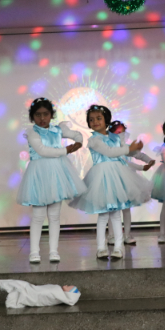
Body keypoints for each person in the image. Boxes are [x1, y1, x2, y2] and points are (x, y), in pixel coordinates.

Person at [69, 105, 151, 260]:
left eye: (98, 118)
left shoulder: (115, 138)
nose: (95, 122)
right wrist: (129, 149)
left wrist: (135, 149)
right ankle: (101, 248)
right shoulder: (94, 140)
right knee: (103, 216)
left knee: (116, 214)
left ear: (106, 120)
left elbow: (125, 150)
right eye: (91, 119)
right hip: (101, 177)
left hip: (116, 176)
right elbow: (109, 152)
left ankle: (118, 248)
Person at [16, 98, 86, 263]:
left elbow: (77, 135)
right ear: (32, 117)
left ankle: (54, 251)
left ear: (51, 115)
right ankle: (34, 252)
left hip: (56, 174)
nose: (42, 118)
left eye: (45, 114)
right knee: (38, 216)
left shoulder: (57, 129)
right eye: (38, 115)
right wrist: (66, 150)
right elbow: (42, 150)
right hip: (39, 174)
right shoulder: (32, 132)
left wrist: (78, 142)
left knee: (54, 216)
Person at [106, 120, 155, 246]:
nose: (121, 135)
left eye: (123, 132)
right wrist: (141, 167)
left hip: (127, 181)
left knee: (126, 209)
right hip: (113, 180)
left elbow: (138, 154)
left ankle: (127, 235)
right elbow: (125, 162)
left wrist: (149, 160)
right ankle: (111, 236)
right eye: (118, 132)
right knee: (113, 209)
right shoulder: (111, 148)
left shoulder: (127, 147)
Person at [0, 279, 81, 309]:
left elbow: (45, 293)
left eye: (68, 286)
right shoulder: (58, 291)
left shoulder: (58, 294)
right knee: (26, 287)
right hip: (38, 290)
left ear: (69, 293)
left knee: (27, 290)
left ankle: (20, 293)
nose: (66, 285)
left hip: (37, 293)